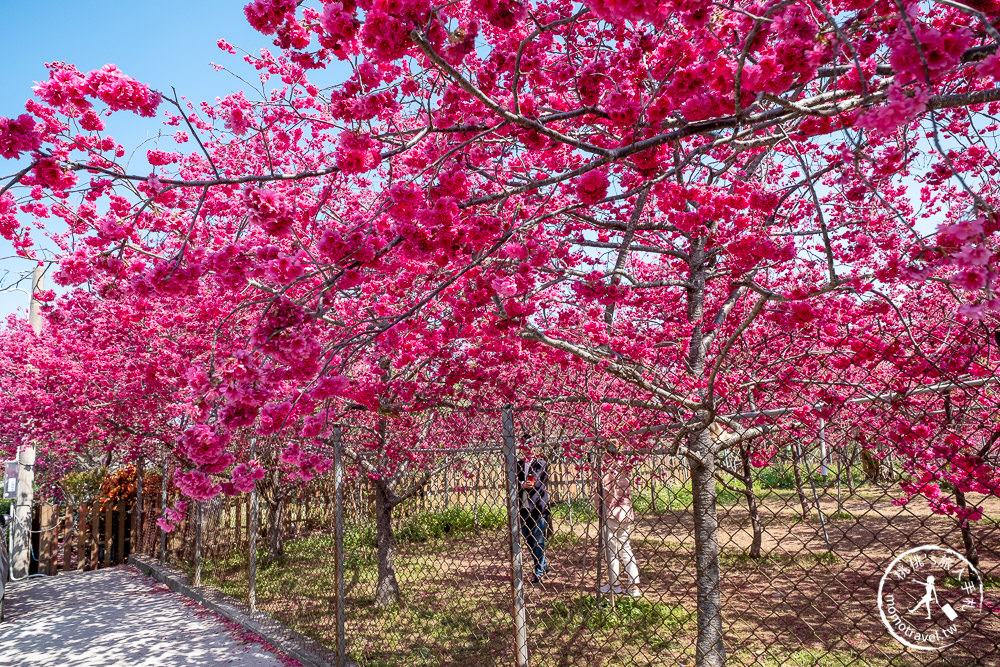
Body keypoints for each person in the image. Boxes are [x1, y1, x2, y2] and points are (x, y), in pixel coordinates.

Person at [596, 457, 641, 598]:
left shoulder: (608, 469)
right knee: (625, 548)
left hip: (611, 514)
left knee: (611, 549)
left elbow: (608, 493)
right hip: (626, 513)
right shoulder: (625, 467)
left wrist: (599, 501)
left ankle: (614, 584)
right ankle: (633, 585)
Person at [517, 450, 551, 583]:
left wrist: (529, 484)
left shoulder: (541, 463)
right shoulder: (518, 464)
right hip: (523, 507)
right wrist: (521, 484)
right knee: (528, 540)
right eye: (524, 446)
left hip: (538, 508)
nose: (527, 450)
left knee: (538, 540)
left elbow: (539, 483)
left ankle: (538, 572)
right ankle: (543, 565)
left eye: (530, 446)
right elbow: (511, 481)